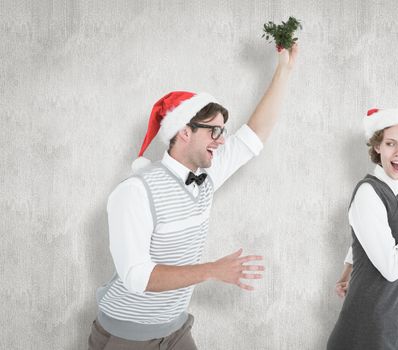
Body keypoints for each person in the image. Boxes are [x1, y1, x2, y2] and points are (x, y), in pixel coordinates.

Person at [88, 44, 298, 350]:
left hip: (175, 330)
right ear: (184, 132)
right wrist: (213, 270)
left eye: (222, 131)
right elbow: (137, 277)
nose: (221, 140)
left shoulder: (205, 178)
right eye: (214, 131)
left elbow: (254, 135)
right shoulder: (134, 193)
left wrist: (285, 70)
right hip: (126, 335)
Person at [327, 105, 398, 350]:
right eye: (390, 143)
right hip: (367, 325)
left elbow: (368, 235)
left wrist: (347, 271)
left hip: (391, 320)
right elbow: (390, 267)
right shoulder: (369, 192)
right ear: (378, 146)